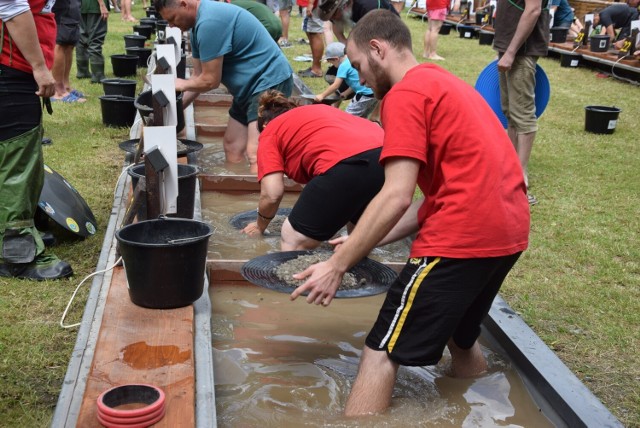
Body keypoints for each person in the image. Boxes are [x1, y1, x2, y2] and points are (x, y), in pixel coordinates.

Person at [288, 10, 530, 416]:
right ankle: (489, 410)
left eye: (359, 65)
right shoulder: (443, 84)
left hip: (461, 238)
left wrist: (337, 264)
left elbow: (397, 194)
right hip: (508, 231)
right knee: (461, 336)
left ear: (378, 49)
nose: (358, 77)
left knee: (381, 351)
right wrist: (361, 239)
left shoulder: (403, 95)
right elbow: (432, 198)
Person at [154, 0, 293, 173]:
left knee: (256, 153)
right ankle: (241, 195)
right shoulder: (196, 26)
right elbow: (198, 78)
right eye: (168, 22)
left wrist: (179, 84)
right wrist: (171, 111)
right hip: (247, 87)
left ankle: (263, 197)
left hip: (268, 81)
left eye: (173, 19)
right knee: (232, 146)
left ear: (184, 4)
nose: (172, 25)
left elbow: (210, 81)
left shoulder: (209, 22)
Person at [242, 90, 385, 250]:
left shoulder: (270, 131)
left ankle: (294, 274)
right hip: (384, 155)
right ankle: (358, 271)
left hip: (347, 163)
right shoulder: (313, 113)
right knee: (354, 239)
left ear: (265, 124)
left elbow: (272, 194)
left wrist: (260, 225)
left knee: (293, 238)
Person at [1, 0, 73, 280]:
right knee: (16, 161)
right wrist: (39, 67)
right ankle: (17, 254)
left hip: (13, 67)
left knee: (15, 153)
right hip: (10, 67)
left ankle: (17, 232)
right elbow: (10, 6)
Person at [493, 0, 549, 205]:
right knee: (510, 112)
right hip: (509, 48)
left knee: (522, 114)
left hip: (521, 51)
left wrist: (510, 52)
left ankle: (521, 175)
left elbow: (533, 10)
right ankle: (511, 167)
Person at [314, 42, 378, 118]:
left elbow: (335, 85)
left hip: (364, 95)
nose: (330, 64)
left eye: (329, 61)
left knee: (347, 117)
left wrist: (322, 95)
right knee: (361, 117)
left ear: (336, 59)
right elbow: (356, 81)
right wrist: (346, 93)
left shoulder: (343, 66)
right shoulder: (351, 60)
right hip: (374, 93)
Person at [317, 0, 398, 44]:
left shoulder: (367, 6)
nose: (333, 19)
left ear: (343, 6)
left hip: (390, 28)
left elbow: (372, 36)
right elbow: (337, 31)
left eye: (333, 16)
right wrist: (346, 46)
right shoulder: (336, 11)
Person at [51, 0, 86, 102]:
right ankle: (58, 91)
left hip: (72, 5)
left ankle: (66, 86)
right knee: (61, 43)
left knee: (69, 44)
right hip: (61, 7)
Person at [76, 0, 109, 83]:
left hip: (80, 5)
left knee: (81, 37)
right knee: (96, 38)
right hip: (94, 5)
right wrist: (101, 4)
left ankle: (82, 71)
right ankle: (98, 75)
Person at [297, 0, 326, 78]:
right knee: (312, 32)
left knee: (314, 33)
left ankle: (316, 69)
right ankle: (315, 67)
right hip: (313, 4)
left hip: (313, 4)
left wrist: (310, 3)